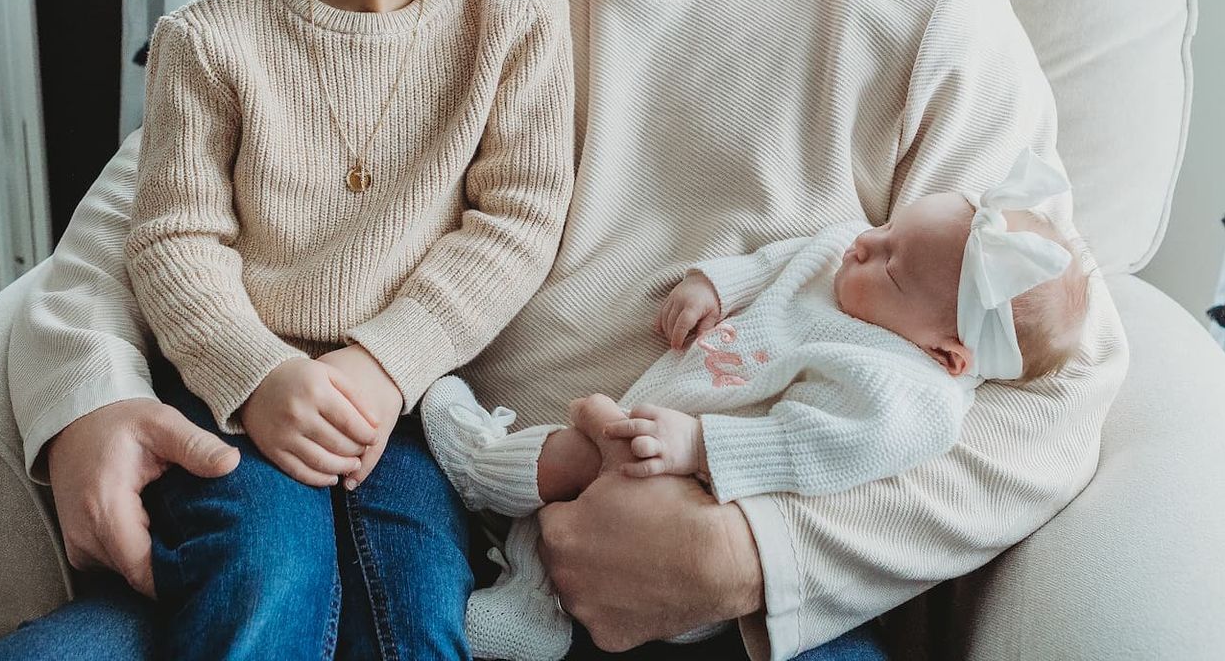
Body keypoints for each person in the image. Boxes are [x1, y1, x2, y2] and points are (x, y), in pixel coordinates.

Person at [0, 0, 1127, 661]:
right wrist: (86, 396)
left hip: (705, 559)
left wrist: (752, 556)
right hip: (430, 500)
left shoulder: (926, 20)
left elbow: (1056, 391)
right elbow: (161, 187)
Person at [127, 0, 576, 659]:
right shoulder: (208, 44)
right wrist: (258, 375)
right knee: (261, 576)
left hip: (411, 398)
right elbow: (172, 240)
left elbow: (516, 223)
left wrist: (383, 363)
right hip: (241, 393)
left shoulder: (520, 28)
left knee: (421, 599)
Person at [420, 151, 1090, 660]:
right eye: (887, 228)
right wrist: (715, 286)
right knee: (594, 445)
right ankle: (511, 539)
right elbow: (784, 261)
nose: (865, 242)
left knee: (587, 463)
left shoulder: (906, 393)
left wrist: (703, 448)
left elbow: (811, 444)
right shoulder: (850, 262)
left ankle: (508, 533)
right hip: (674, 398)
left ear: (947, 353)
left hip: (704, 484)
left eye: (890, 264)